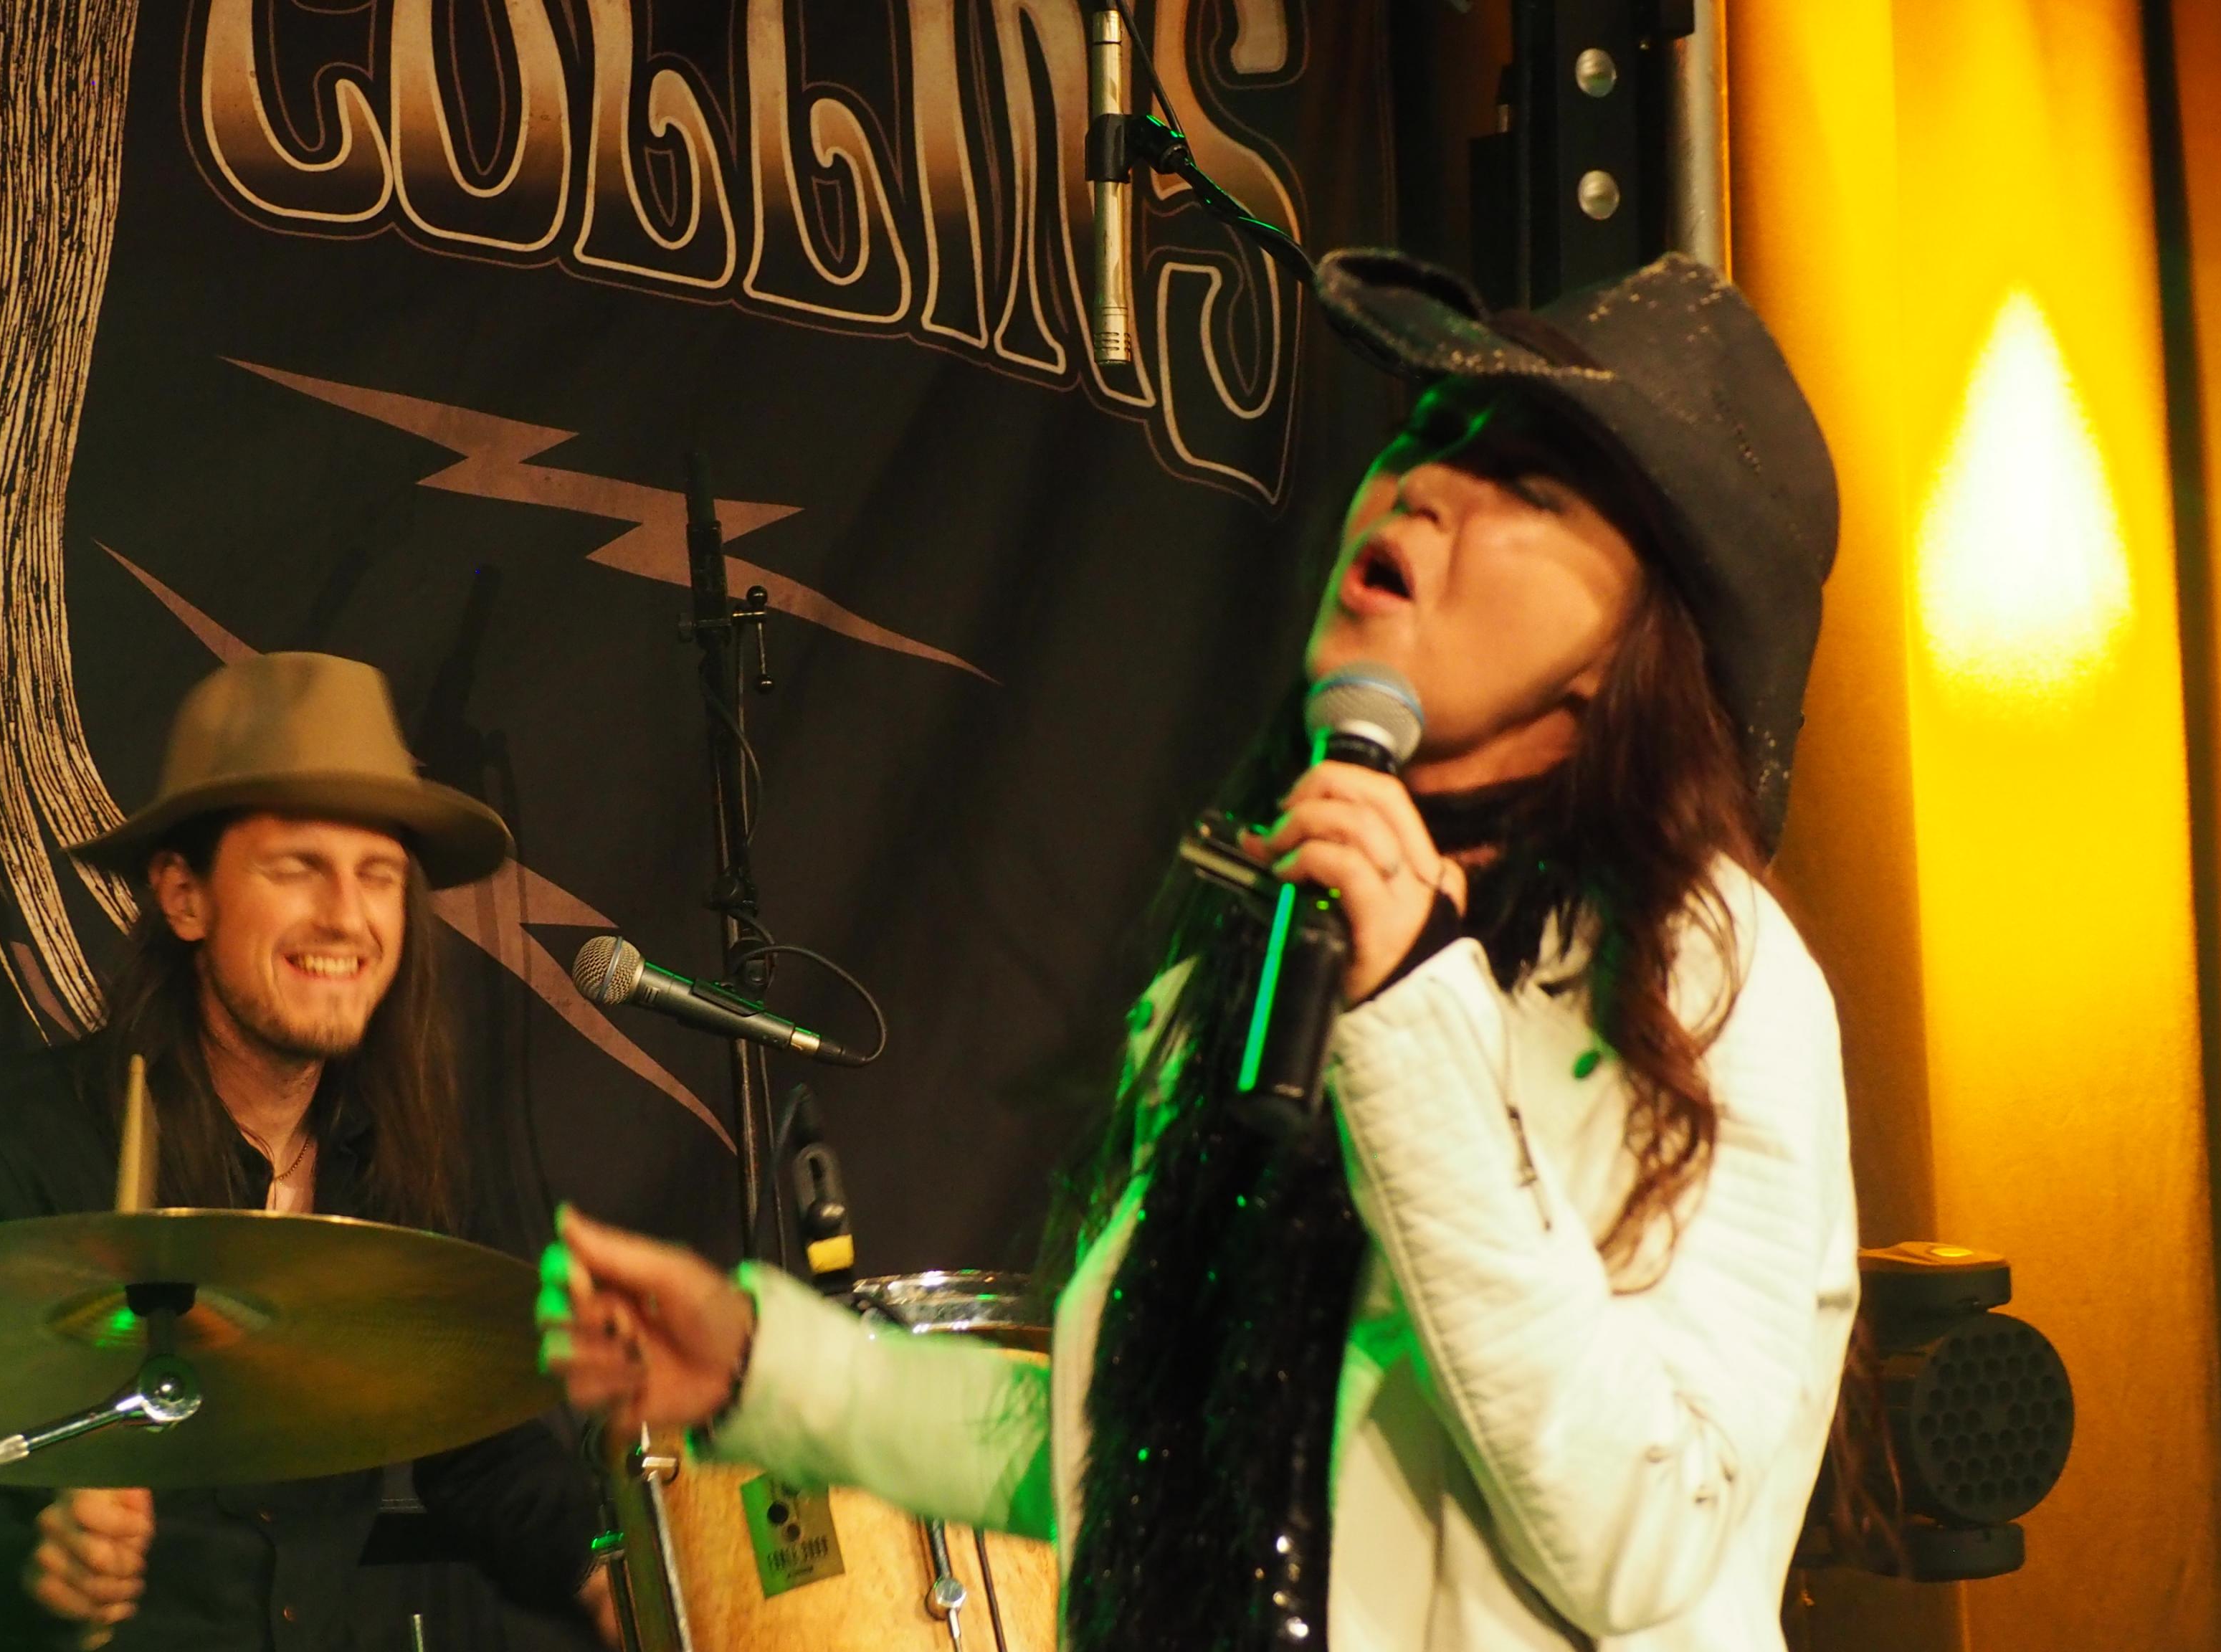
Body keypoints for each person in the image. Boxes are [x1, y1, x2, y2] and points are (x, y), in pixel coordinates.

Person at [534, 250, 1858, 1651]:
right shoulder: (1255, 954)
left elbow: (1645, 1540)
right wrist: (767, 1371)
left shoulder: (1699, 970)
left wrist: (1413, 1014)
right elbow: (1136, 1458)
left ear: (1630, 643)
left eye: (1526, 487)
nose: (1421, 488)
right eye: (1423, 438)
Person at [0, 652, 619, 1651]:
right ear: (184, 897)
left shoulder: (391, 1164)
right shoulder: (13, 1152)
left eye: (378, 877)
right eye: (297, 868)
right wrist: (30, 1564)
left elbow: (474, 1441)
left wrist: (609, 1577)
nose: (346, 917)